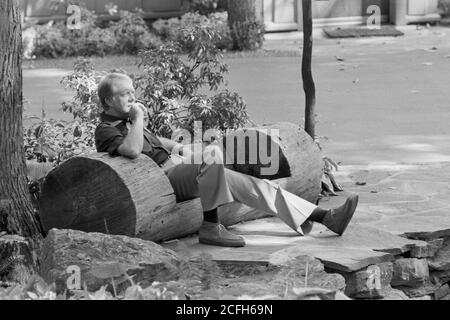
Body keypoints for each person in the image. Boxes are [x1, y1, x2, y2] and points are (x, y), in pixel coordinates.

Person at [95, 73, 359, 248]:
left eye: (133, 92)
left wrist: (179, 146)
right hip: (159, 184)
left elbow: (154, 142)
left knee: (251, 184)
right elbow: (131, 150)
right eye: (125, 94)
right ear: (108, 101)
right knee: (213, 156)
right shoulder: (107, 129)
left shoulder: (128, 121)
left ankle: (325, 218)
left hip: (176, 169)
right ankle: (210, 226)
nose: (133, 98)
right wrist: (139, 118)